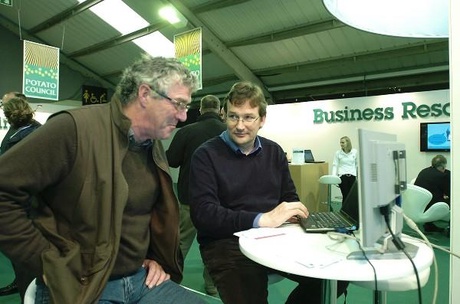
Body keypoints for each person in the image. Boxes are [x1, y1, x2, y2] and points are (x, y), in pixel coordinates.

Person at [0, 54, 206, 304]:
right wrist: (43, 259)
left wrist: (155, 257)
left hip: (141, 279)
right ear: (144, 94)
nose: (183, 116)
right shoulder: (74, 129)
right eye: (179, 104)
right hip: (81, 286)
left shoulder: (152, 145)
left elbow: (144, 213)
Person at [189, 81, 348, 303]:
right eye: (233, 116)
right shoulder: (205, 155)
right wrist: (261, 219)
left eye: (248, 117)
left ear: (262, 119)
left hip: (275, 237)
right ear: (223, 114)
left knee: (335, 276)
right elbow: (204, 215)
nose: (240, 125)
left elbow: (289, 197)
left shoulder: (274, 152)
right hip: (226, 242)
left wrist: (293, 212)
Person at [166, 94, 226, 296]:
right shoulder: (228, 132)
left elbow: (171, 160)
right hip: (220, 201)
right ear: (220, 111)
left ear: (200, 110)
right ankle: (211, 286)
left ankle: (172, 281)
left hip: (189, 197)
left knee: (182, 241)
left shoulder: (187, 131)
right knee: (215, 243)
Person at [0, 93, 42, 299]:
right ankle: (21, 284)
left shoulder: (35, 134)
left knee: (26, 255)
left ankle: (29, 292)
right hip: (15, 203)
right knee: (18, 255)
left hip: (27, 206)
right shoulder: (18, 132)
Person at [414, 154, 451, 233]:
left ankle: (429, 225)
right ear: (442, 167)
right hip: (432, 206)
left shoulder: (424, 171)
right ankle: (451, 229)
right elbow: (450, 193)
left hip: (418, 204)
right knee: (455, 202)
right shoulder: (443, 176)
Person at [331, 136, 358, 201]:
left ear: (348, 143)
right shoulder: (338, 153)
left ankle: (352, 211)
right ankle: (344, 211)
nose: (341, 144)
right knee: (345, 195)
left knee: (352, 196)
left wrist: (358, 177)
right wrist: (334, 177)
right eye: (340, 142)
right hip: (342, 176)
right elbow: (335, 165)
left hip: (352, 176)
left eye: (343, 142)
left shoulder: (354, 152)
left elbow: (357, 165)